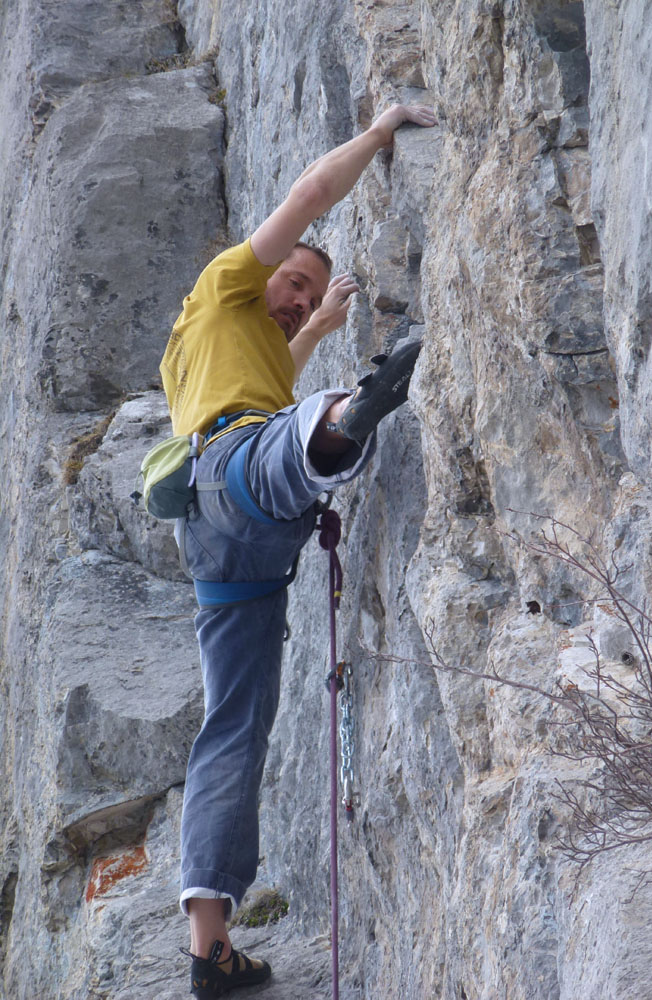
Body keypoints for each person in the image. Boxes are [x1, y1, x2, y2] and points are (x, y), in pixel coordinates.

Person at [159, 102, 438, 999]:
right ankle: (347, 418)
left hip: (225, 558)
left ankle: (211, 950)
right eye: (297, 279)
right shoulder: (224, 285)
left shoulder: (222, 350)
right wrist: (382, 129)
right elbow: (312, 191)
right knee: (287, 440)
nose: (302, 296)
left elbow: (286, 350)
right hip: (236, 473)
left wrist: (324, 320)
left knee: (233, 726)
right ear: (262, 267)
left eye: (311, 295)